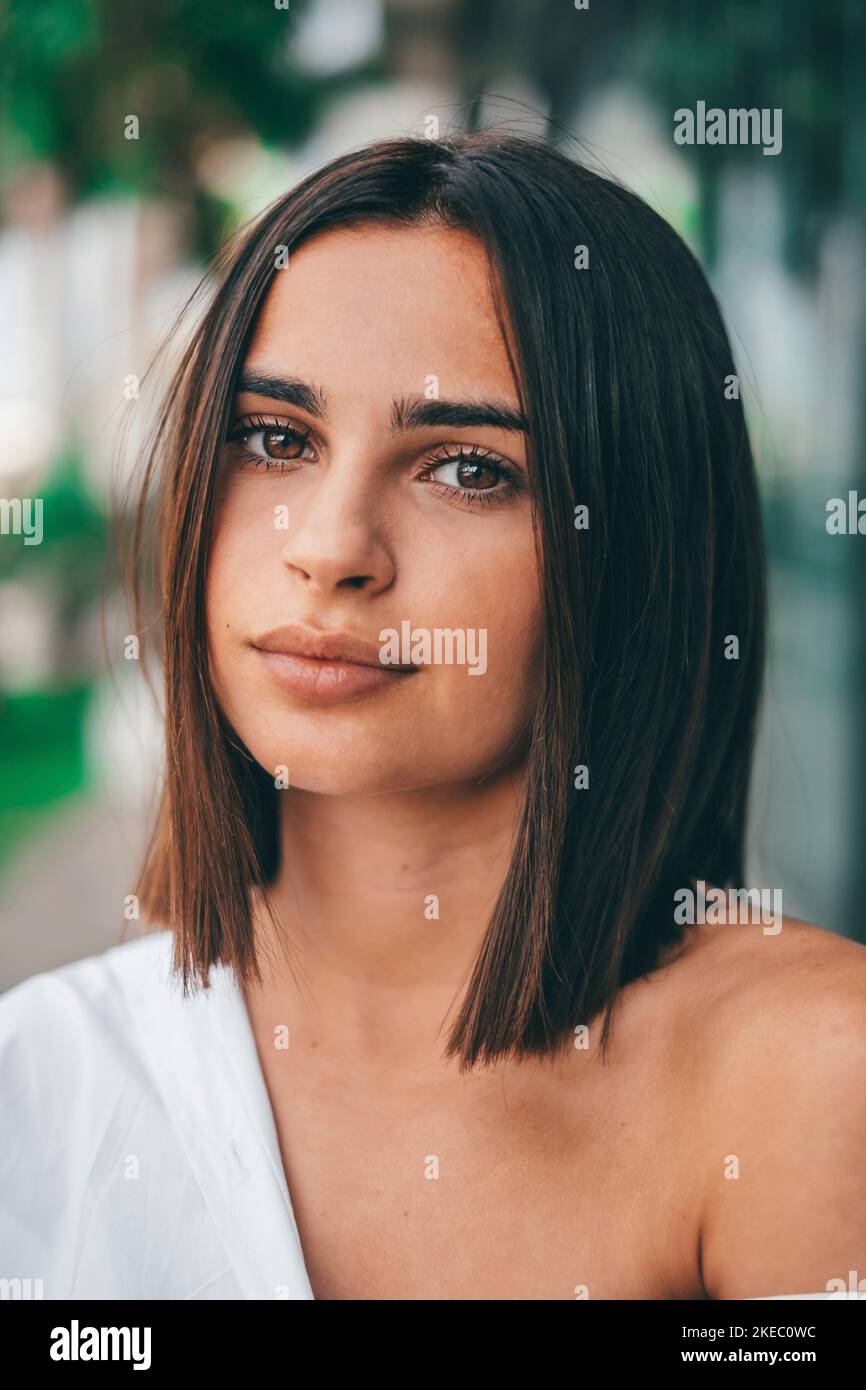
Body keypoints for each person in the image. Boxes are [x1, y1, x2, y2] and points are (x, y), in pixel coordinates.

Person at [2, 131, 865, 1302]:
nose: (328, 548)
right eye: (275, 440)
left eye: (464, 467)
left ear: (632, 545)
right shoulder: (42, 1086)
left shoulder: (813, 1074)